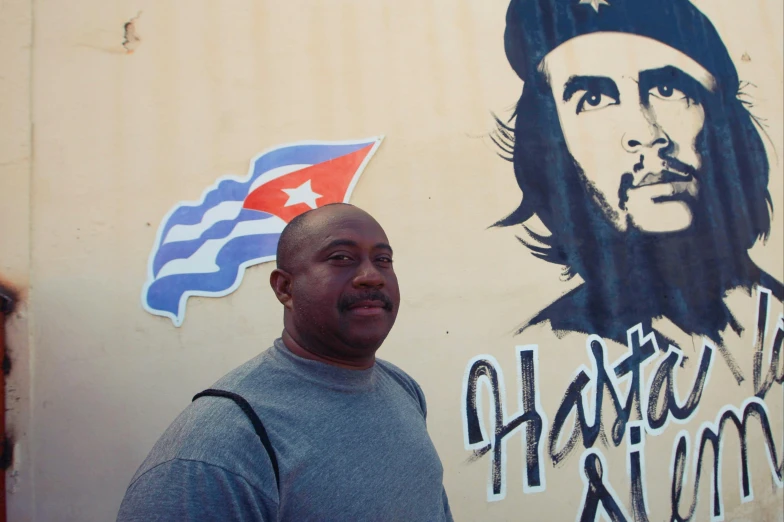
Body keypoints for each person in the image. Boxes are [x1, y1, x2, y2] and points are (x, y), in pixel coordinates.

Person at [117, 203, 453, 521]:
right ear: (285, 288)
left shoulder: (402, 387)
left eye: (383, 259)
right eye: (341, 258)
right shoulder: (219, 447)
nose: (371, 276)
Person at [495, 0, 783, 349]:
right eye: (595, 98)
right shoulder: (552, 346)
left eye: (668, 90)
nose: (647, 134)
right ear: (551, 146)